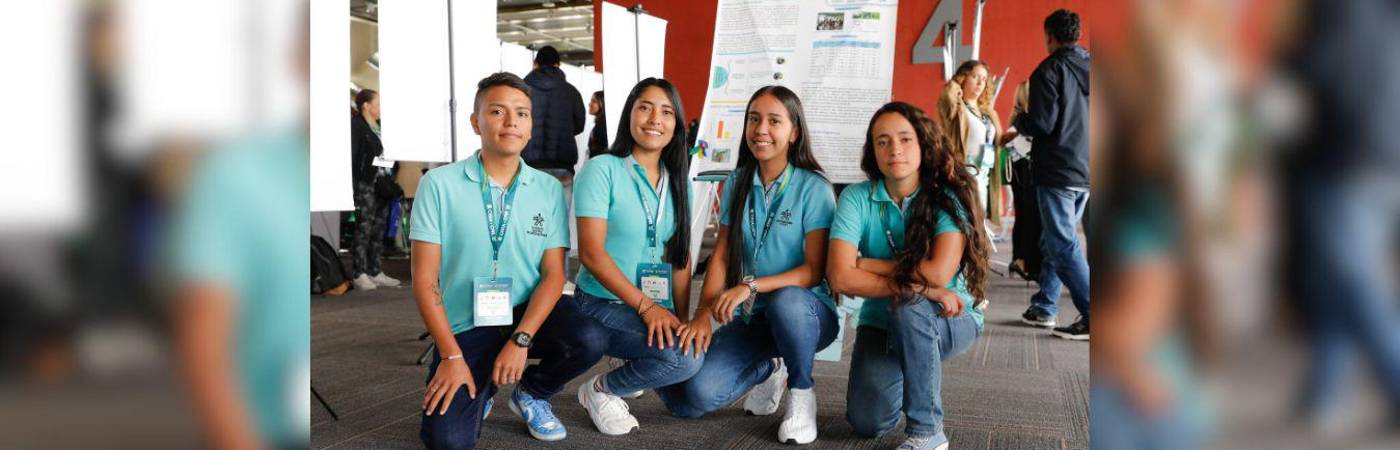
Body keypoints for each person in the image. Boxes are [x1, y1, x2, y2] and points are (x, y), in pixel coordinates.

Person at [410, 73, 608, 448]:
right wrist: (450, 355)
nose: (511, 122)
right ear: (475, 121)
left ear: (531, 126)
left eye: (522, 113)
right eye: (497, 111)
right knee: (448, 442)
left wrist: (521, 339)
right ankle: (478, 387)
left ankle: (531, 393)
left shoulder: (548, 188)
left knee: (590, 337)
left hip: (524, 311)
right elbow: (424, 280)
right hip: (465, 322)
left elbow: (553, 275)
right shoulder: (439, 184)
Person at [658, 86, 838, 445]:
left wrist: (750, 286)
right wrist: (702, 316)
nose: (761, 130)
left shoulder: (813, 187)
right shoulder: (739, 181)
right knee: (691, 398)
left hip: (807, 316)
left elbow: (814, 271)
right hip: (754, 318)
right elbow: (722, 255)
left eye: (774, 121)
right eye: (754, 119)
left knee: (787, 301)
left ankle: (801, 392)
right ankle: (772, 366)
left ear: (794, 132)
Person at [829, 102, 991, 450]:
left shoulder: (947, 197)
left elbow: (938, 272)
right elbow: (840, 277)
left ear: (923, 143)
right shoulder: (856, 198)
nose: (894, 150)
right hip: (882, 319)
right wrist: (927, 289)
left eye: (905, 139)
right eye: (882, 141)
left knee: (909, 307)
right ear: (872, 150)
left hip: (949, 316)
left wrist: (868, 263)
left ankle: (927, 432)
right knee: (866, 422)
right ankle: (915, 364)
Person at [572, 77, 700, 436]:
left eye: (666, 112)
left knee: (690, 363)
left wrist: (682, 318)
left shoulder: (678, 180)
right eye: (645, 107)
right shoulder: (603, 170)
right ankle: (599, 390)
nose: (654, 119)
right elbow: (592, 254)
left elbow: (680, 255)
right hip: (601, 302)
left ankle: (631, 356)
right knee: (684, 358)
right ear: (630, 113)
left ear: (676, 125)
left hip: (650, 304)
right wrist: (647, 308)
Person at [1014, 8, 1091, 340]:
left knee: (1062, 245)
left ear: (1049, 36)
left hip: (1058, 170)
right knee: (1056, 241)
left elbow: (1042, 124)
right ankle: (1045, 306)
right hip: (1087, 168)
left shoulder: (1048, 70)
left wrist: (1019, 119)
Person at [939, 60, 1015, 232]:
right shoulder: (956, 108)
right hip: (964, 175)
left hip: (985, 176)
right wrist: (954, 84)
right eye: (975, 77)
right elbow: (946, 99)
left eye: (984, 78)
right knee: (962, 226)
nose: (981, 82)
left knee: (977, 227)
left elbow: (994, 140)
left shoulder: (988, 112)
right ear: (963, 78)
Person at [349, 88, 401, 291]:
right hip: (365, 184)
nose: (381, 109)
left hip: (382, 184)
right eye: (378, 104)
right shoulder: (356, 127)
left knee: (378, 228)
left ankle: (375, 270)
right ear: (366, 106)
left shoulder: (379, 127)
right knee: (364, 228)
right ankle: (359, 272)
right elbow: (354, 157)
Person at [522, 45, 586, 183]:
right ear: (558, 65)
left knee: (530, 204)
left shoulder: (522, 90)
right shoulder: (571, 92)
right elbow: (579, 125)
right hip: (562, 162)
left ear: (535, 64)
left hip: (529, 163)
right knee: (561, 204)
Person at [1007, 82, 1044, 282]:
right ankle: (1028, 263)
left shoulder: (1020, 120)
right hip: (1025, 171)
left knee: (1025, 217)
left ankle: (1022, 260)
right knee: (1031, 217)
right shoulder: (1023, 122)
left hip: (1023, 170)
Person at [587, 90, 607, 159]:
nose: (589, 104)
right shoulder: (599, 125)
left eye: (594, 101)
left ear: (602, 104)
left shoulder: (603, 127)